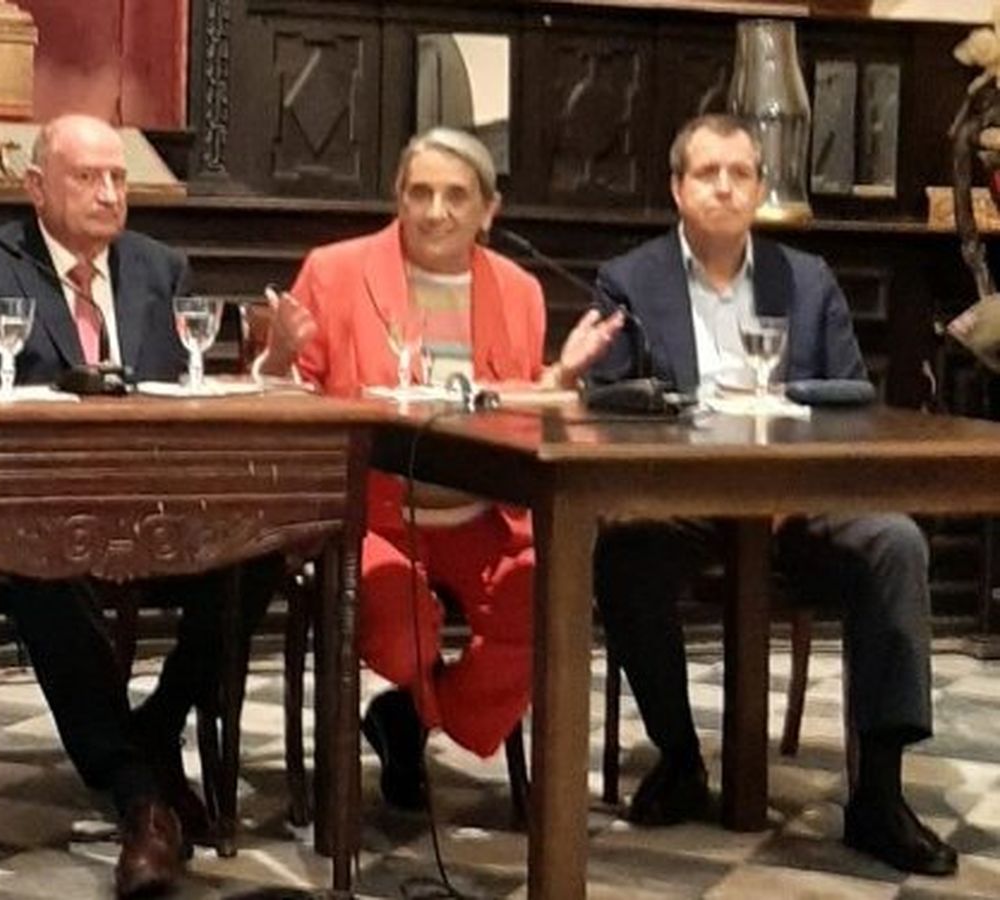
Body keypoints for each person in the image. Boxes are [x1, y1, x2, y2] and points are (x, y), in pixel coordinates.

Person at [588, 112, 957, 876]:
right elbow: (610, 397)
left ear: (760, 187)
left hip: (799, 502)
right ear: (677, 189)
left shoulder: (807, 276)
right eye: (706, 173)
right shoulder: (631, 278)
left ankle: (879, 798)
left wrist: (779, 414)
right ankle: (682, 757)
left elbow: (854, 393)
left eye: (740, 173)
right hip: (682, 504)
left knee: (895, 540)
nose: (724, 187)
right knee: (622, 553)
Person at [0, 113, 280, 898]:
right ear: (36, 188)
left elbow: (187, 392)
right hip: (36, 508)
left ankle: (156, 723)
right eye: (87, 177)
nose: (108, 193)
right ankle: (141, 795)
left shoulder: (161, 268)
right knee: (42, 570)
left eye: (119, 178)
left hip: (157, 504)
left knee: (264, 547)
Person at [255, 127, 621, 808]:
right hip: (373, 515)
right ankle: (411, 705)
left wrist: (558, 380)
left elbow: (504, 406)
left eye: (457, 196)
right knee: (401, 636)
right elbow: (285, 398)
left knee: (553, 605)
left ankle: (410, 717)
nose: (435, 211)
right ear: (397, 197)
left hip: (486, 515)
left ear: (489, 211)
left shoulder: (519, 289)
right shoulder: (334, 273)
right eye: (419, 192)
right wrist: (277, 357)